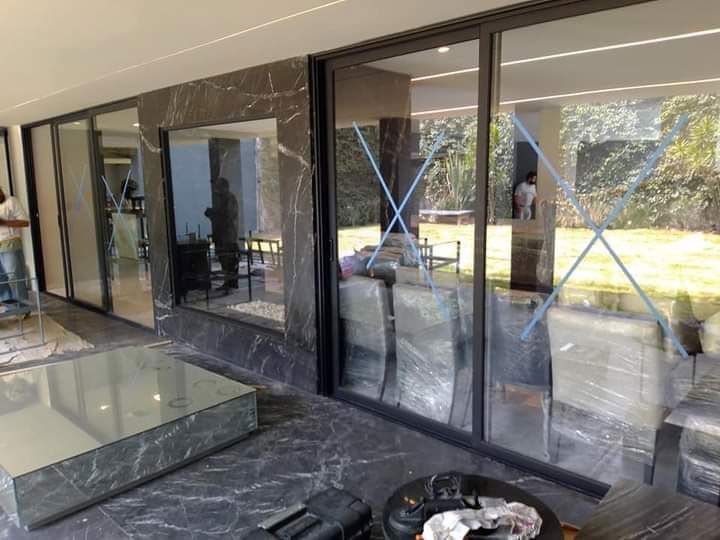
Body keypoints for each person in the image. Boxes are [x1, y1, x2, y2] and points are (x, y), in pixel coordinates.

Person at [205, 177, 240, 290]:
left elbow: (227, 216)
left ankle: (231, 283)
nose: (216, 190)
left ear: (224, 187)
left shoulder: (229, 199)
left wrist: (213, 213)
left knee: (229, 261)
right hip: (221, 236)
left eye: (218, 187)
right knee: (223, 260)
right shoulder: (222, 199)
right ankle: (228, 282)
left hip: (228, 237)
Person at [0, 187, 29, 303]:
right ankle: (9, 305)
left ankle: (22, 307)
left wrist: (4, 222)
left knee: (15, 277)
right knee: (1, 278)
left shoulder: (12, 201)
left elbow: (25, 222)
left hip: (10, 243)